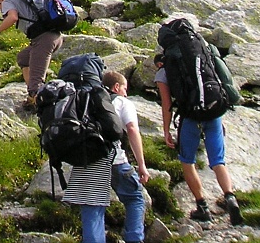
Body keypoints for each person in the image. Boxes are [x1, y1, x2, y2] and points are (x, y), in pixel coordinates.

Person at [154, 52, 243, 225]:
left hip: (191, 118)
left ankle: (202, 206)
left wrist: (166, 131)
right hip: (213, 113)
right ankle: (230, 198)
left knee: (187, 161)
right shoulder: (201, 58)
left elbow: (167, 105)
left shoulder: (163, 73)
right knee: (218, 160)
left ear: (159, 63)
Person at [59, 55, 125, 243]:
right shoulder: (97, 93)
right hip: (97, 153)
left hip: (75, 152)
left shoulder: (68, 94)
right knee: (93, 207)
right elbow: (115, 130)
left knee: (90, 207)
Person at [103, 71, 149, 243]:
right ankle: (134, 238)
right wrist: (141, 165)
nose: (126, 93)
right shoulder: (122, 102)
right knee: (135, 198)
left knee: (95, 205)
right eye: (124, 88)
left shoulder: (90, 100)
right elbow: (131, 129)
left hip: (91, 161)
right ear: (116, 87)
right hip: (115, 161)